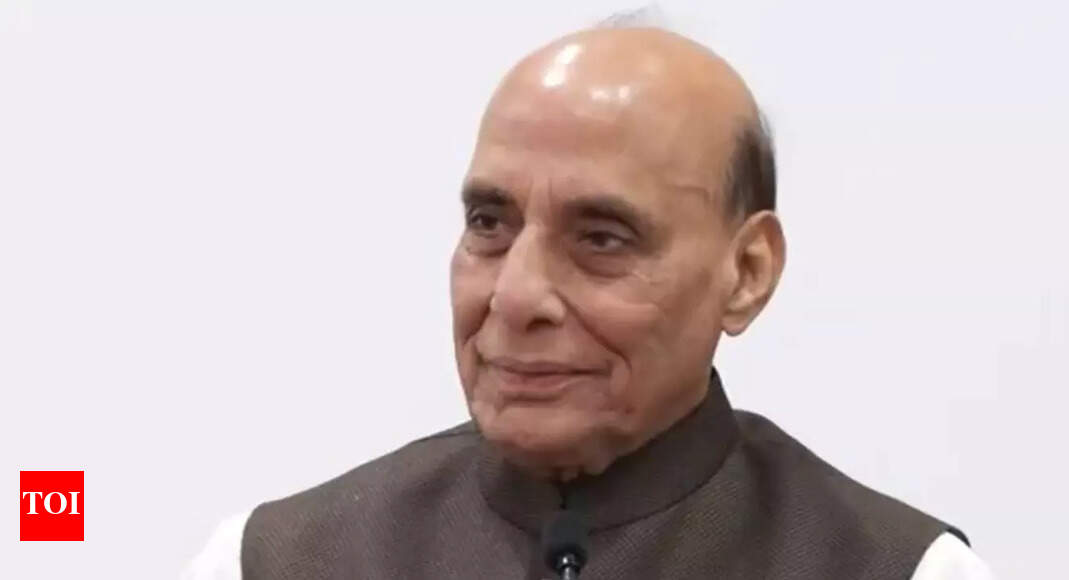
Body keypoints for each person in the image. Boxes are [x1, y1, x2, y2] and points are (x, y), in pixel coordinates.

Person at [184, 25, 994, 579]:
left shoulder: (896, 569)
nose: (515, 296)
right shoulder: (275, 562)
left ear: (746, 272)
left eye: (601, 238)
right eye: (489, 224)